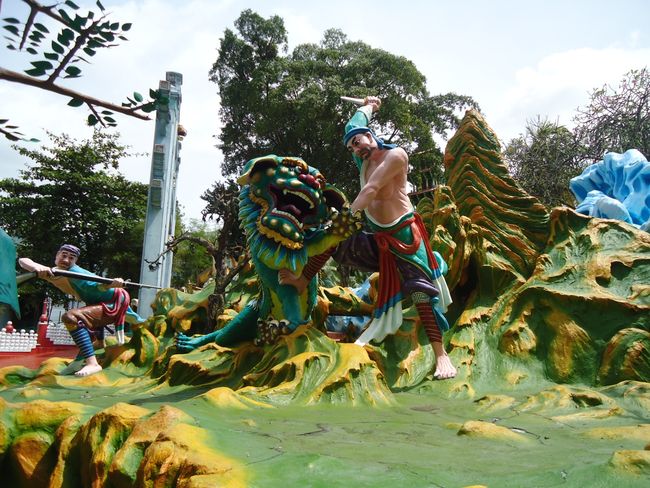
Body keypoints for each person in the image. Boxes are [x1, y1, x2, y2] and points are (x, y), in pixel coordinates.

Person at [280, 96, 456, 379]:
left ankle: (441, 355)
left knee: (422, 294)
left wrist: (347, 217)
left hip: (406, 239)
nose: (356, 147)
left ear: (371, 136)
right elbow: (354, 124)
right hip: (378, 242)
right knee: (333, 239)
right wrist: (369, 106)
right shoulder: (362, 156)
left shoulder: (395, 155)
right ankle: (302, 281)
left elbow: (372, 189)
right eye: (352, 146)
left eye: (359, 141)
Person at [18, 244, 143, 376]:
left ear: (75, 261)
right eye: (64, 255)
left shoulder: (75, 272)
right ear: (57, 256)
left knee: (72, 317)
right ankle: (80, 360)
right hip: (96, 301)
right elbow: (23, 260)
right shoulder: (54, 272)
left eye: (71, 258)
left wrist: (111, 283)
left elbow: (97, 287)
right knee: (134, 320)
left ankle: (92, 364)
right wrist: (35, 267)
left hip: (114, 300)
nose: (66, 260)